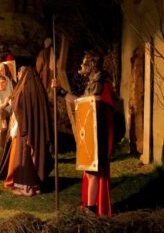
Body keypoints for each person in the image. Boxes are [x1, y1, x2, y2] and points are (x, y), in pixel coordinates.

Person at [52, 51, 114, 217]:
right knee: (89, 172)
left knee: (92, 172)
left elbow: (92, 102)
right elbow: (83, 101)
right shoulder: (93, 83)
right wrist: (61, 92)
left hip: (97, 135)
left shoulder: (99, 83)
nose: (81, 65)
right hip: (91, 134)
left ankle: (91, 210)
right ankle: (90, 206)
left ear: (92, 64)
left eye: (84, 63)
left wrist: (64, 93)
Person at [9, 66, 53, 196]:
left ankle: (27, 188)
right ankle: (36, 186)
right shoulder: (39, 88)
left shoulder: (26, 88)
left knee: (25, 157)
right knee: (36, 154)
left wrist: (13, 101)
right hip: (37, 129)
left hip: (26, 129)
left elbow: (18, 106)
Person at [36, 37, 55, 102]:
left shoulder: (43, 52)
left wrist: (37, 73)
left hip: (45, 75)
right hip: (53, 74)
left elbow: (39, 65)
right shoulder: (54, 51)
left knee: (45, 91)